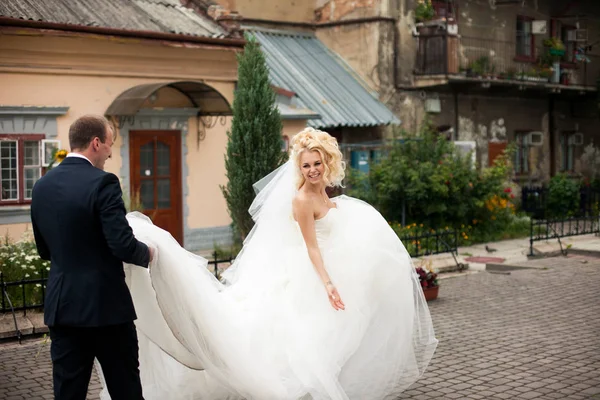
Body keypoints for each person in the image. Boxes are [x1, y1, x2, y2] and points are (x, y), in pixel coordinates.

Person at [100, 127, 438, 400]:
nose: (312, 170)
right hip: (311, 272)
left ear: (327, 161)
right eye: (306, 166)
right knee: (306, 335)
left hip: (328, 268)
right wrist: (329, 283)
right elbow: (311, 248)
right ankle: (299, 385)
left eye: (317, 163)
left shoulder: (324, 192)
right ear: (299, 168)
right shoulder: (303, 199)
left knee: (334, 334)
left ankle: (323, 380)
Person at [31, 115, 154, 400]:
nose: (111, 152)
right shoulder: (103, 183)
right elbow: (122, 245)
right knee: (125, 388)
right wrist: (149, 253)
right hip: (106, 309)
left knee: (68, 392)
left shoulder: (41, 186)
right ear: (96, 143)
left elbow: (44, 250)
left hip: (63, 309)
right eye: (110, 145)